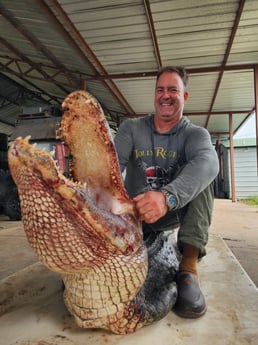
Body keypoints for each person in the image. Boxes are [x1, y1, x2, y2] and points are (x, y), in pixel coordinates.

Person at [114, 66, 219, 319]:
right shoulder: (132, 128)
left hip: (172, 211)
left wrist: (166, 197)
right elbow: (111, 165)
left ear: (184, 96)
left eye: (173, 90)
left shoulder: (194, 134)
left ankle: (188, 269)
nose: (165, 95)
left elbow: (209, 162)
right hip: (133, 213)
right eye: (160, 90)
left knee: (203, 178)